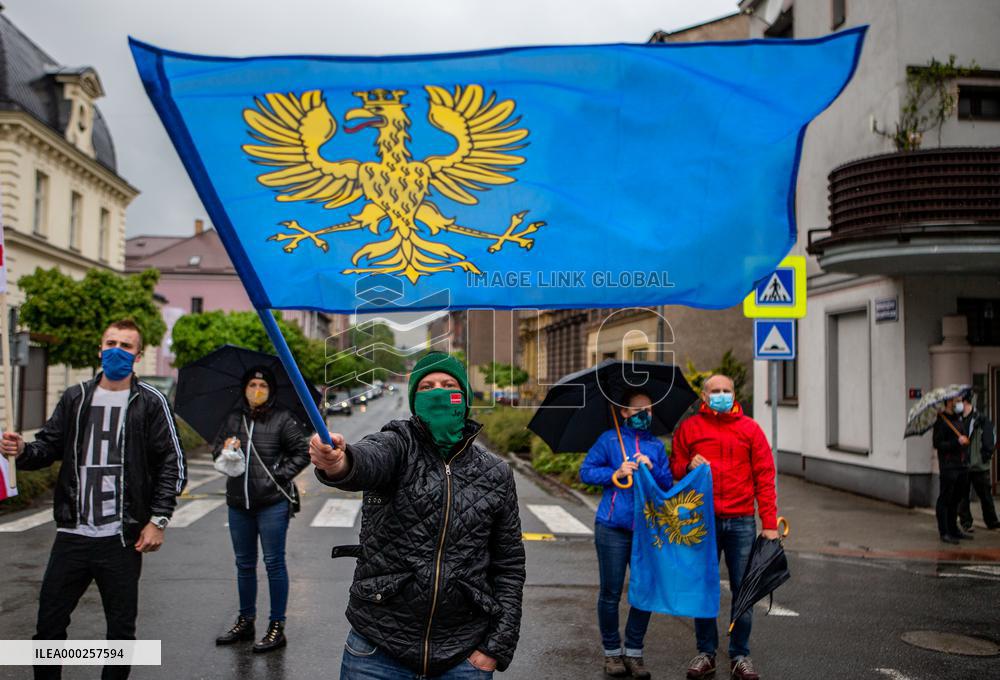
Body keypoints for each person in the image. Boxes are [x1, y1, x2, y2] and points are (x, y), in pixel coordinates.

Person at [308, 352, 525, 679]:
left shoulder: (496, 473)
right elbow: (367, 459)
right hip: (377, 650)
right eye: (426, 386)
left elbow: (509, 566)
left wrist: (495, 647)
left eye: (448, 385)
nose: (437, 392)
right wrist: (339, 462)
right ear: (413, 400)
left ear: (465, 398)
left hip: (464, 658)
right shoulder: (398, 445)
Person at [0, 319, 186, 680]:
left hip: (121, 538)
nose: (117, 351)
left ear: (138, 355)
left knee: (120, 633)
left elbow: (172, 462)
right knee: (48, 627)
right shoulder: (76, 397)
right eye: (111, 343)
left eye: (126, 346)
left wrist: (158, 519)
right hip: (72, 534)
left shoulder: (151, 402)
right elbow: (47, 447)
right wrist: (21, 450)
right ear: (100, 349)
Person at [671, 374, 777, 680]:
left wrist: (769, 524)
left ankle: (740, 655)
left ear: (734, 394)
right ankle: (706, 653)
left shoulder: (751, 429)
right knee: (703, 587)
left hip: (742, 520)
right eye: (715, 391)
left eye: (726, 391)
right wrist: (688, 465)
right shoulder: (690, 428)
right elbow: (674, 466)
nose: (721, 395)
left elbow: (764, 477)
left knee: (744, 589)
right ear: (704, 397)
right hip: (702, 521)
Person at [212, 366, 310, 653]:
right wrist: (226, 449)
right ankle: (246, 620)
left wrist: (278, 475)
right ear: (244, 388)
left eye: (262, 386)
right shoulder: (234, 418)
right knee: (244, 564)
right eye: (252, 385)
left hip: (272, 503)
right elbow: (216, 451)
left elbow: (302, 452)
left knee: (273, 563)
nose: (257, 390)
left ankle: (277, 625)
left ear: (271, 390)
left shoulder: (283, 418)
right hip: (238, 503)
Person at [579, 388, 672, 680]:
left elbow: (667, 484)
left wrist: (652, 467)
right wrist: (615, 473)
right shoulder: (609, 440)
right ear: (624, 412)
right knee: (610, 592)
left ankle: (634, 652)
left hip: (647, 530)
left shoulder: (656, 446)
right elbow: (586, 472)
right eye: (638, 409)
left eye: (649, 409)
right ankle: (611, 653)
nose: (645, 414)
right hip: (612, 527)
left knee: (644, 591)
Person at [933, 396, 972, 544]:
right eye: (957, 400)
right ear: (949, 402)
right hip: (948, 466)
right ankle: (944, 531)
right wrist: (956, 442)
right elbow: (938, 444)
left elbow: (963, 438)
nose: (960, 403)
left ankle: (953, 529)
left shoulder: (958, 419)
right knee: (945, 498)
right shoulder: (941, 421)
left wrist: (965, 441)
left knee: (956, 498)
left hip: (961, 465)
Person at [956, 393, 998, 532]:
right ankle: (966, 523)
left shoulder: (980, 419)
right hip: (963, 464)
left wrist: (985, 456)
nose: (956, 404)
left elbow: (990, 439)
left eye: (959, 401)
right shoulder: (957, 420)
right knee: (963, 496)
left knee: (985, 495)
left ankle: (992, 521)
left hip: (978, 465)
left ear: (965, 402)